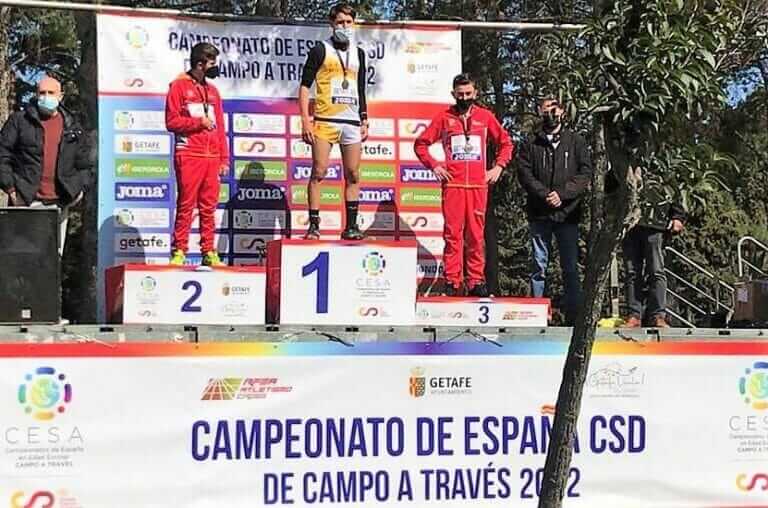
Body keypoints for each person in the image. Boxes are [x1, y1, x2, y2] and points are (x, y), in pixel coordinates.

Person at [414, 73, 514, 297]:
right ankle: (452, 281)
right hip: (454, 186)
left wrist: (498, 167)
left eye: (468, 94)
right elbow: (421, 144)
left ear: (475, 93)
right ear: (453, 94)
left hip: (478, 186)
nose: (465, 98)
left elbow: (506, 143)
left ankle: (476, 280)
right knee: (452, 235)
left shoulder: (485, 117)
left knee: (476, 236)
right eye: (460, 95)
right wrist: (435, 166)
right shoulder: (444, 118)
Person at [517, 97, 592, 324]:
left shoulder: (576, 141)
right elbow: (524, 173)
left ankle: (573, 316)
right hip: (539, 213)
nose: (551, 114)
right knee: (539, 265)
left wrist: (563, 194)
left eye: (555, 109)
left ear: (563, 111)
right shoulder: (531, 142)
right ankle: (537, 315)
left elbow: (585, 173)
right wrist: (544, 194)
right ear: (539, 112)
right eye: (546, 110)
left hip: (568, 213)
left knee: (569, 266)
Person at [299, 2, 368, 240]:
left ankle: (351, 226)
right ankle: (314, 226)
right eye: (340, 22)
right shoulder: (320, 49)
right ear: (332, 23)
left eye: (349, 22)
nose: (345, 26)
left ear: (354, 23)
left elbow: (360, 89)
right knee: (319, 171)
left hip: (351, 123)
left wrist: (364, 118)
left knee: (353, 174)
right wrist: (305, 121)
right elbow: (304, 87)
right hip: (325, 120)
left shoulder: (358, 53)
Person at [0, 75, 92, 255]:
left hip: (59, 204)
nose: (46, 96)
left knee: (52, 260)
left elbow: (85, 164)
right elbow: (2, 154)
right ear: (36, 94)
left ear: (61, 96)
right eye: (42, 92)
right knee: (23, 259)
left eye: (51, 92)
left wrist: (76, 190)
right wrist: (11, 189)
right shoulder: (19, 120)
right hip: (26, 202)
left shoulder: (72, 126)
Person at [165, 42, 229, 266]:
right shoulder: (178, 87)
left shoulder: (213, 91)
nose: (215, 68)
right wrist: (198, 123)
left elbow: (220, 126)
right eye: (212, 63)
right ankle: (179, 251)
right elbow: (171, 121)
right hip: (189, 153)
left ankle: (208, 251)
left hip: (212, 157)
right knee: (186, 204)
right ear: (200, 64)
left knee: (208, 207)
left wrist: (224, 158)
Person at [622, 190, 686, 328]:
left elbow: (673, 186)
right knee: (632, 272)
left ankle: (658, 315)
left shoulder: (660, 169)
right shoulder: (623, 168)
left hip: (657, 224)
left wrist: (678, 217)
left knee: (656, 271)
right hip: (630, 223)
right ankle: (634, 315)